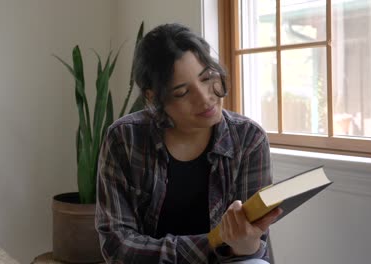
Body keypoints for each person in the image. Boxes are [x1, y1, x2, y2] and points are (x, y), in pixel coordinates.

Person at [95, 23, 282, 264]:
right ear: (154, 98)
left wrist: (247, 244)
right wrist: (215, 241)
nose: (205, 98)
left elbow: (254, 245)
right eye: (183, 93)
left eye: (207, 78)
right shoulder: (124, 140)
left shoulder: (248, 138)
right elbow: (117, 246)